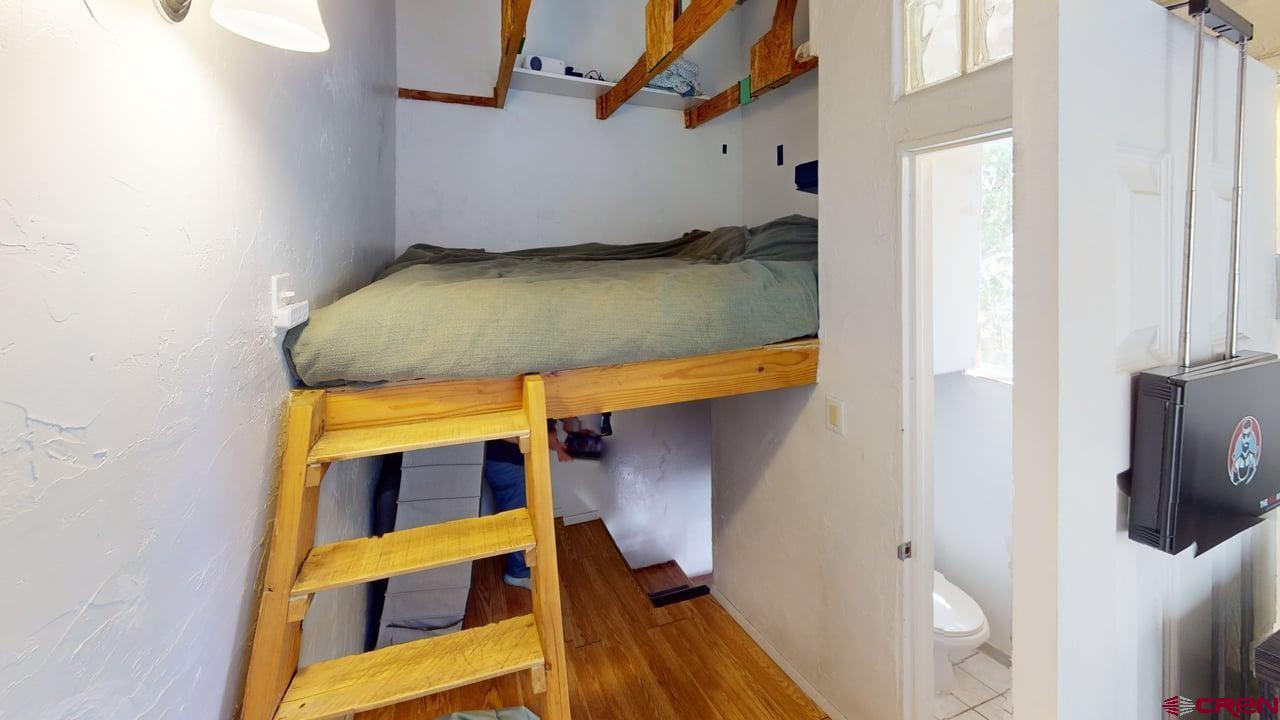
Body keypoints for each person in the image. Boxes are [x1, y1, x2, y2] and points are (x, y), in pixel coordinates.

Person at [483, 418, 575, 590]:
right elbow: (502, 429)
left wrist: (569, 424)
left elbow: (551, 419)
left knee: (526, 513)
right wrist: (553, 443)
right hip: (504, 461)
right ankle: (516, 574)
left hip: (515, 457)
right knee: (517, 517)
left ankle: (524, 565)